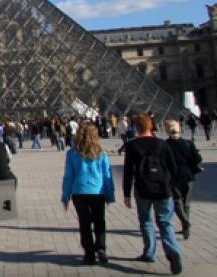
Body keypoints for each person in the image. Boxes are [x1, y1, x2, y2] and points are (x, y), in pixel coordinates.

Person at [123, 114, 182, 275]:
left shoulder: (132, 146)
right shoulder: (162, 144)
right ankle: (172, 251)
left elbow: (128, 172)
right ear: (151, 126)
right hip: (163, 189)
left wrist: (126, 194)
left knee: (146, 222)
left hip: (142, 189)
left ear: (136, 127)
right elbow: (173, 168)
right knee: (165, 223)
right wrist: (171, 186)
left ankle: (149, 253)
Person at [61, 122, 115, 265]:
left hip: (79, 192)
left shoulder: (71, 153)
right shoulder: (102, 154)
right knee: (99, 221)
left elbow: (68, 177)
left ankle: (89, 254)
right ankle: (101, 248)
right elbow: (107, 176)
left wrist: (65, 196)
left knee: (84, 224)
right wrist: (110, 195)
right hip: (98, 192)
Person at [165, 120, 202, 240]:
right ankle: (186, 226)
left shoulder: (165, 145)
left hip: (173, 177)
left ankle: (184, 221)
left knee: (176, 202)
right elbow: (197, 158)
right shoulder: (187, 143)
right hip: (188, 175)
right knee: (186, 203)